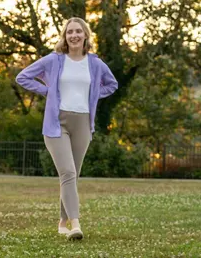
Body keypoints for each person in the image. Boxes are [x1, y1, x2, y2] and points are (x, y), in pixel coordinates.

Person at [15, 17, 118, 241]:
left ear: (85, 35)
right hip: (56, 123)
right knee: (68, 173)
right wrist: (47, 91)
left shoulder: (95, 64)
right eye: (69, 32)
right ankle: (75, 225)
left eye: (78, 31)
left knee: (73, 175)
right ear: (64, 36)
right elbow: (23, 77)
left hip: (82, 122)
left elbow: (112, 84)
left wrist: (94, 95)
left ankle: (62, 220)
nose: (74, 35)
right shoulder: (54, 60)